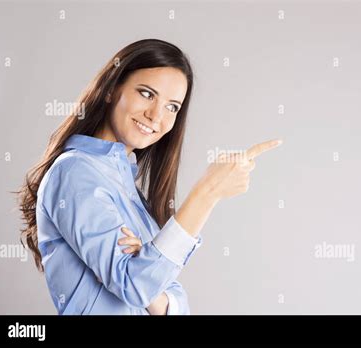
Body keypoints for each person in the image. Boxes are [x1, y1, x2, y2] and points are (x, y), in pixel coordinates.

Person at [17, 38, 282, 315]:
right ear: (111, 90)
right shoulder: (74, 172)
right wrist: (208, 192)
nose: (156, 115)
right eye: (146, 93)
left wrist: (153, 291)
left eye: (172, 107)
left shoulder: (128, 188)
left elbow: (175, 302)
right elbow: (135, 284)